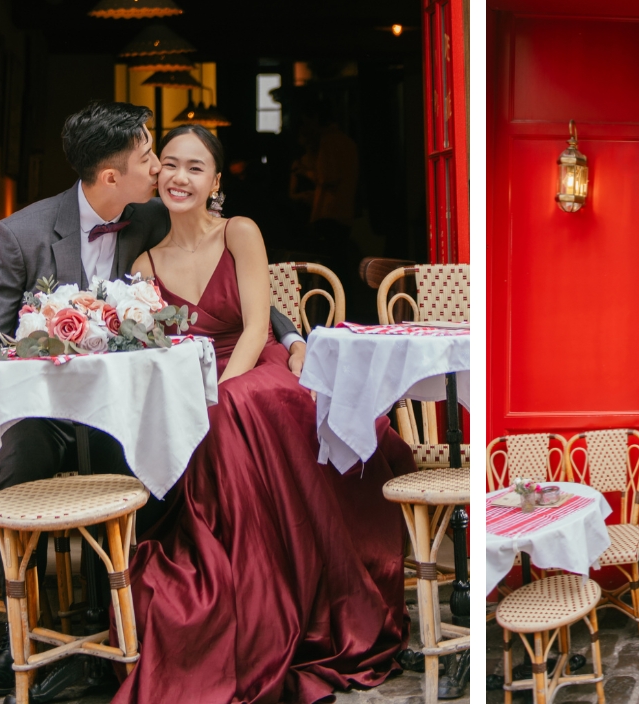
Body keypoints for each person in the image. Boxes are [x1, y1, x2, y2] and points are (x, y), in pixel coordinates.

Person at [0, 102, 306, 699]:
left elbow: (221, 280)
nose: (161, 169)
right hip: (49, 410)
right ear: (112, 175)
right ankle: (19, 631)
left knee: (149, 458)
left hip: (126, 405)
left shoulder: (151, 218)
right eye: (151, 158)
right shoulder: (21, 234)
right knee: (21, 461)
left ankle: (124, 619)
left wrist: (293, 333)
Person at [113, 125, 415, 704]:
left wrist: (218, 395)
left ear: (216, 182)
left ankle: (288, 592)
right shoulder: (144, 264)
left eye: (195, 167)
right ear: (157, 178)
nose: (180, 176)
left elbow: (255, 325)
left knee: (235, 411)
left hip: (256, 368)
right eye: (170, 164)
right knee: (218, 421)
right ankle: (242, 595)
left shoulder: (239, 232)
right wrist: (197, 401)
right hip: (196, 386)